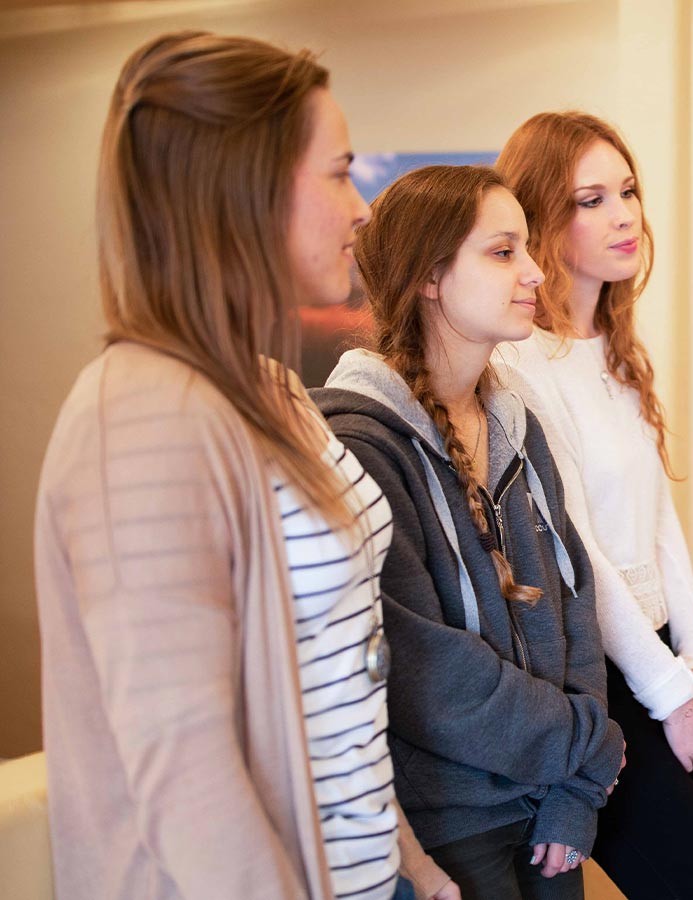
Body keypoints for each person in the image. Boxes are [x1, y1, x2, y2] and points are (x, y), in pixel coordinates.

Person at [34, 31, 452, 900]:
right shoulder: (137, 418)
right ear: (248, 190)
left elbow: (338, 666)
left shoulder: (272, 390)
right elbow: (185, 774)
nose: (362, 206)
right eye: (339, 171)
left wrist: (407, 860)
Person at [313, 164, 625, 900]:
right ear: (429, 276)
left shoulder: (519, 425)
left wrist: (574, 792)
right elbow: (425, 671)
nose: (534, 271)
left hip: (549, 797)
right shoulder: (362, 442)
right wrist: (592, 744)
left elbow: (572, 607)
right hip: (446, 817)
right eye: (503, 251)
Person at [496, 112, 693, 899]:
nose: (624, 214)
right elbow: (576, 552)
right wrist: (669, 690)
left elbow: (656, 518)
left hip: (663, 654)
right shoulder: (519, 366)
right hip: (603, 675)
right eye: (590, 199)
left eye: (629, 190)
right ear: (542, 218)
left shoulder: (616, 346)